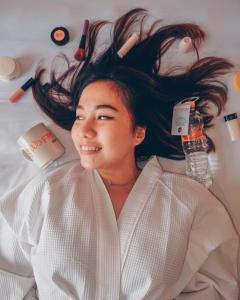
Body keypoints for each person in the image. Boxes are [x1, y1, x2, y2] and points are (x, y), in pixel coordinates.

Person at [0, 8, 239, 300]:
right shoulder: (47, 191)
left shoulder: (189, 203)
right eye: (79, 116)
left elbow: (218, 286)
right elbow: (6, 274)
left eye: (103, 117)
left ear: (138, 133)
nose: (84, 131)